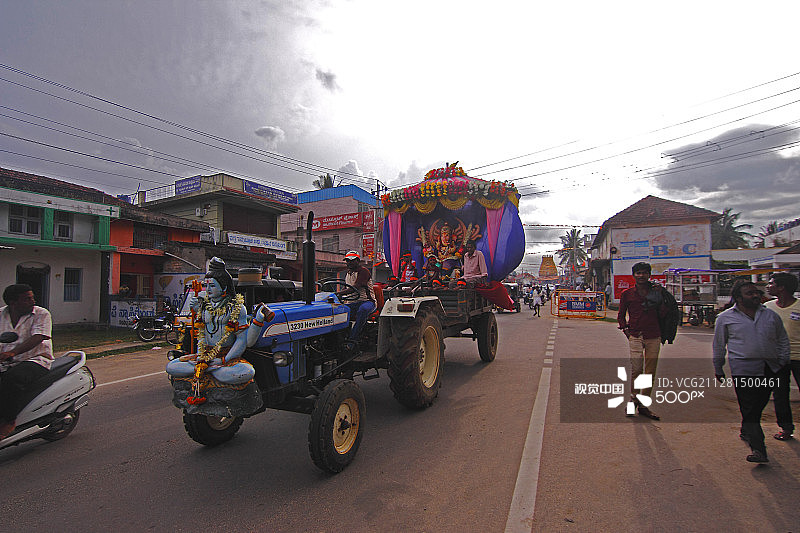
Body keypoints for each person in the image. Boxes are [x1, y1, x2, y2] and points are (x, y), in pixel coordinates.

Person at [713, 280, 790, 463]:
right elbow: (719, 345)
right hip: (743, 371)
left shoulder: (770, 316)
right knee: (749, 408)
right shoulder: (725, 318)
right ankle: (759, 449)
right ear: (738, 298)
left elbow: (782, 340)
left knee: (756, 407)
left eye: (756, 292)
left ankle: (747, 429)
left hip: (770, 369)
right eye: (750, 293)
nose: (755, 295)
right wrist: (718, 367)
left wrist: (782, 362)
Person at [166, 258, 254, 386]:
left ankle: (208, 370)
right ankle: (207, 369)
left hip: (226, 355)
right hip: (205, 355)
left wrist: (224, 360)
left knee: (246, 371)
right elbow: (201, 334)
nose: (207, 289)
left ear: (224, 287)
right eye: (205, 285)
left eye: (212, 286)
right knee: (172, 366)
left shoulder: (237, 308)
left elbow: (242, 340)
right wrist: (201, 356)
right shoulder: (204, 306)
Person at [0, 284, 54, 440]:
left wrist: (13, 352)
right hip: (6, 360)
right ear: (13, 302)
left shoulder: (41, 314)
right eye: (27, 299)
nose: (32, 301)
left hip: (35, 360)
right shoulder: (1, 314)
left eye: (32, 297)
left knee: (11, 379)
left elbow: (38, 337)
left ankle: (9, 421)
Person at [617, 262, 668, 420]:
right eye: (638, 273)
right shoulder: (627, 294)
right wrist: (625, 329)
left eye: (644, 273)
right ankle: (633, 399)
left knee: (650, 372)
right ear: (634, 275)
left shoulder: (656, 293)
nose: (641, 276)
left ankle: (643, 405)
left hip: (653, 335)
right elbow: (621, 314)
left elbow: (664, 313)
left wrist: (661, 296)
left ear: (649, 275)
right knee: (637, 369)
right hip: (635, 335)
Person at [765, 272, 800, 441]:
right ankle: (786, 428)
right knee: (780, 395)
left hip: (799, 358)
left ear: (781, 287)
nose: (767, 286)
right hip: (778, 360)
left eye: (771, 283)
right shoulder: (768, 307)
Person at [337, 251, 376, 342]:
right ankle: (340, 338)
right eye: (347, 261)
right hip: (352, 302)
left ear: (358, 261)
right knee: (338, 311)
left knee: (363, 310)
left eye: (351, 261)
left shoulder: (363, 271)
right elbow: (346, 287)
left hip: (367, 301)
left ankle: (353, 338)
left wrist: (337, 294)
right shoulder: (348, 273)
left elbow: (355, 287)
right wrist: (336, 294)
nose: (349, 263)